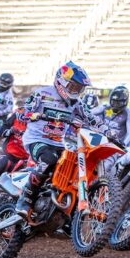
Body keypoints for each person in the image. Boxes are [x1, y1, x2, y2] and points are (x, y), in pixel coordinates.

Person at [15, 61, 96, 217]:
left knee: (73, 166)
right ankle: (25, 197)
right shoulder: (42, 94)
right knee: (49, 159)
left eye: (79, 89)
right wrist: (33, 115)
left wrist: (109, 133)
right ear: (61, 82)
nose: (75, 92)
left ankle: (62, 207)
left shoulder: (78, 104)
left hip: (59, 144)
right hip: (36, 139)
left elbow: (94, 120)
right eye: (73, 87)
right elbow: (21, 113)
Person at [0, 106, 30, 199]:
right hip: (10, 153)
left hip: (29, 159)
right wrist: (10, 131)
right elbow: (2, 130)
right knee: (2, 164)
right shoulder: (18, 114)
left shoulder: (45, 122)